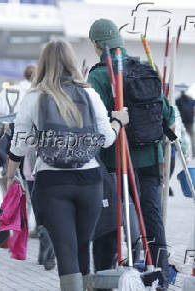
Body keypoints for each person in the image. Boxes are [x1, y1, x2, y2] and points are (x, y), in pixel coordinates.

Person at [5, 39, 129, 290]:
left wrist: (10, 176)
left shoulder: (34, 97)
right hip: (90, 181)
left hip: (52, 182)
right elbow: (106, 140)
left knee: (66, 250)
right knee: (83, 245)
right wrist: (119, 121)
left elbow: (19, 145)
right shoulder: (89, 93)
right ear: (72, 62)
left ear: (43, 65)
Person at [88, 18, 175, 290]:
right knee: (152, 219)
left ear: (96, 45)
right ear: (120, 44)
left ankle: (106, 277)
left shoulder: (99, 75)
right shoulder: (147, 70)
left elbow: (96, 122)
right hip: (152, 159)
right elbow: (168, 115)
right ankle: (158, 276)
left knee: (110, 221)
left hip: (116, 163)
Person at [176, 89, 195, 157]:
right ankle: (194, 152)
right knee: (192, 137)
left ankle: (183, 152)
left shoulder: (178, 100)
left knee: (181, 137)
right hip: (190, 121)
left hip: (183, 121)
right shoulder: (191, 99)